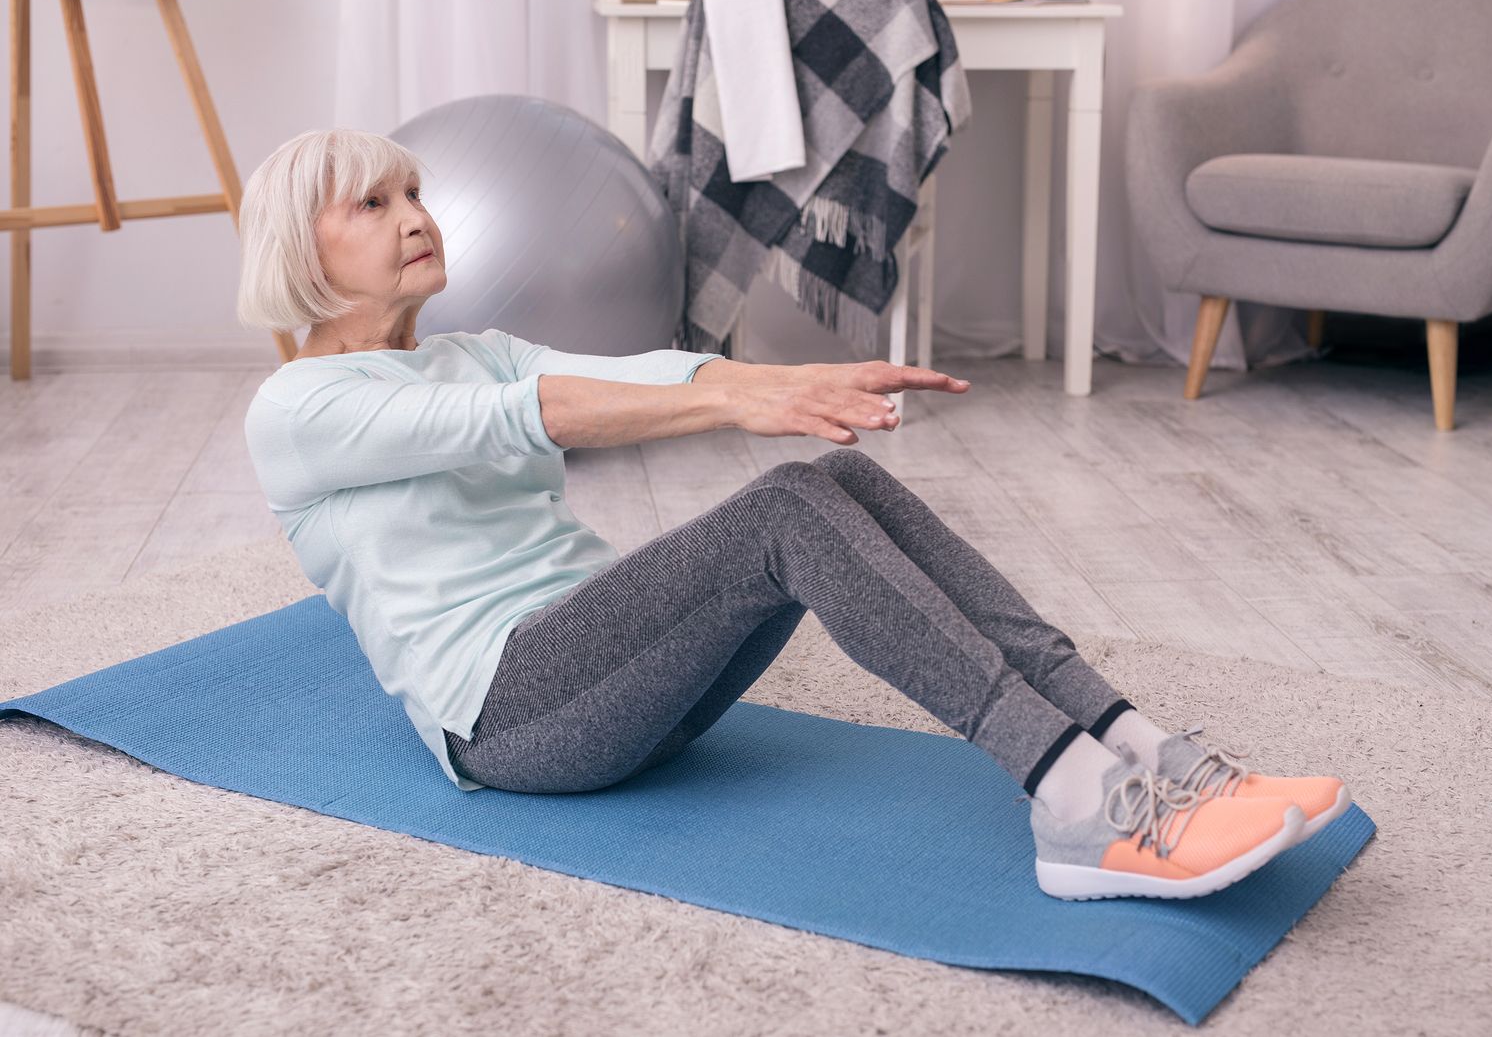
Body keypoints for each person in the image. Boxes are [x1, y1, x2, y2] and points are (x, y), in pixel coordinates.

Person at [237, 129, 1349, 902]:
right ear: (300, 246)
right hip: (515, 720)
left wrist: (781, 380)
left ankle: (1135, 747)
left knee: (834, 482)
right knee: (782, 511)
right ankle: (1074, 804)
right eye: (373, 203)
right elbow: (537, 414)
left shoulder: (471, 349)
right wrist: (750, 407)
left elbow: (647, 367)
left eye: (416, 191)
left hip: (613, 678)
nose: (416, 216)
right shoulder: (299, 406)